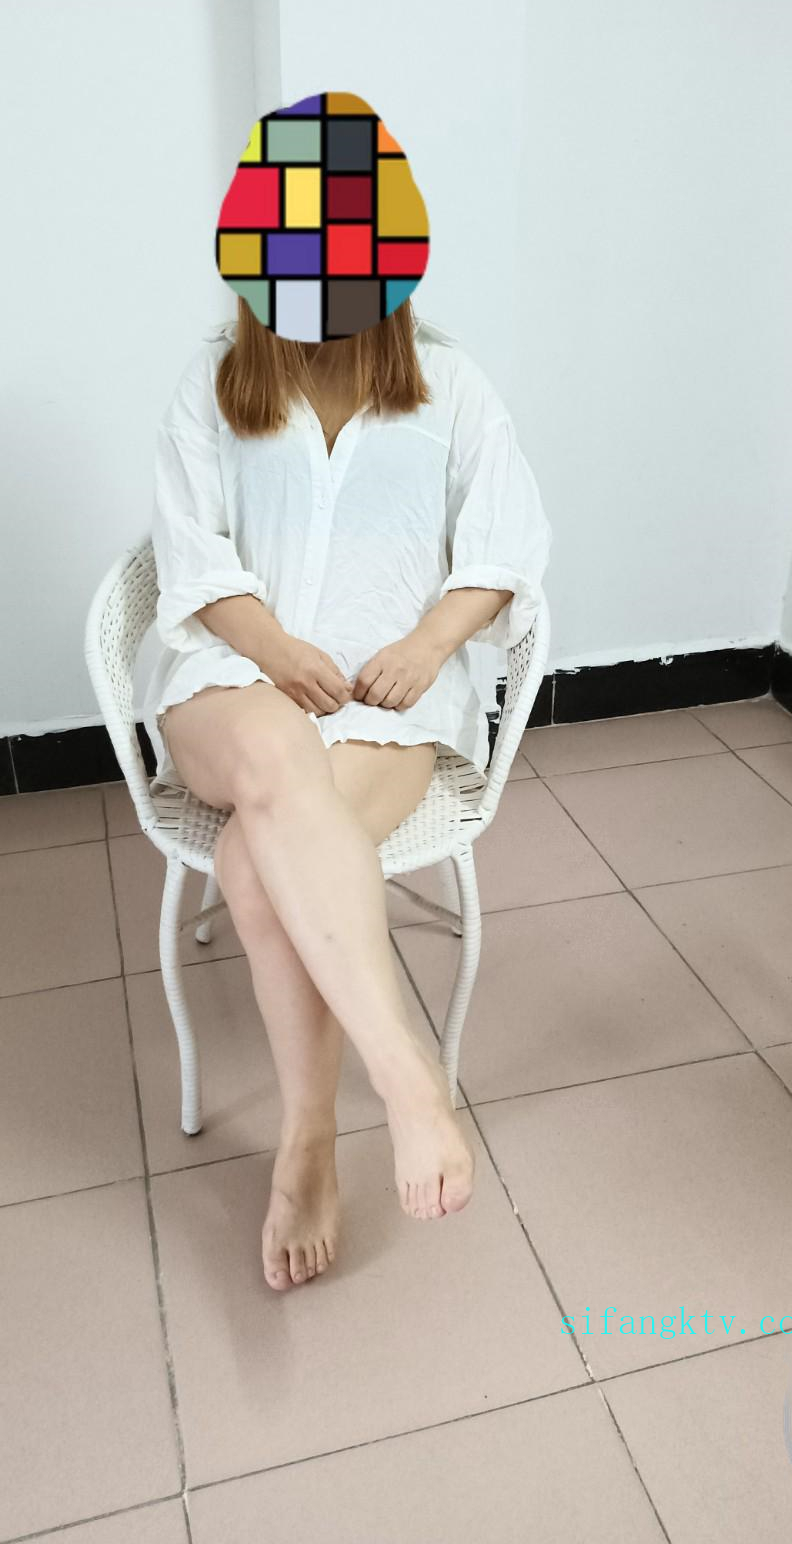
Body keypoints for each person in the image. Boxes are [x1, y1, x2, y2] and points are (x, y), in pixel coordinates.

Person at [143, 293, 551, 1293]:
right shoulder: (214, 380)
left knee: (252, 863)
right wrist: (276, 652)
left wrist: (428, 646)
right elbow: (191, 554)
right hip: (231, 683)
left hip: (384, 701)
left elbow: (504, 550)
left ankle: (310, 1138)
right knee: (274, 746)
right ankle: (406, 1075)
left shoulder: (452, 384)